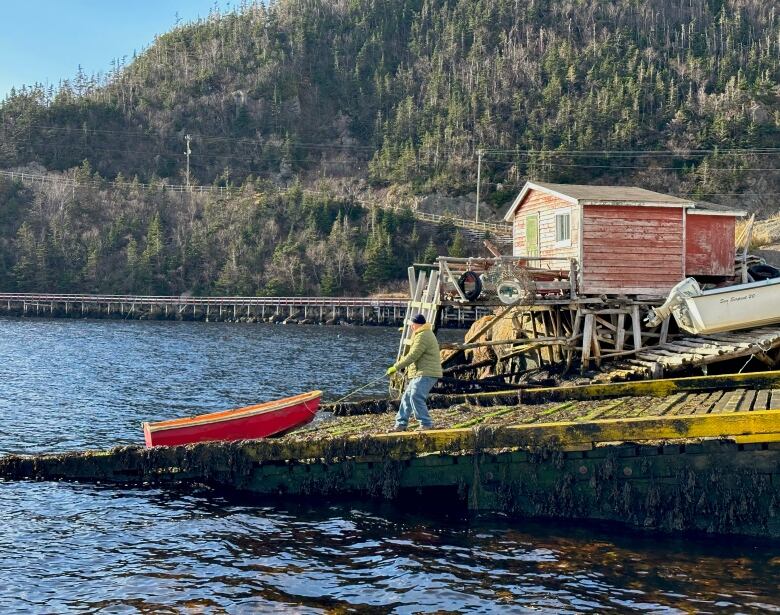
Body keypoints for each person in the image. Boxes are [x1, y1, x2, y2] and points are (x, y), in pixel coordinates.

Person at [386, 313, 443, 431]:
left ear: (417, 324)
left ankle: (426, 423)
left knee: (416, 396)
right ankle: (401, 424)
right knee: (406, 397)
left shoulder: (424, 335)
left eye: (412, 325)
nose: (411, 327)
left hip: (427, 373)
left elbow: (413, 355)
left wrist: (395, 367)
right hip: (420, 372)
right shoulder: (420, 334)